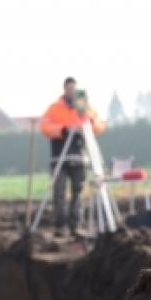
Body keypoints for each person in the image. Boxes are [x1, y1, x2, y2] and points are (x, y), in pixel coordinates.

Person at [40, 77, 106, 237]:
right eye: (69, 89)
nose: (72, 92)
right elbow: (45, 126)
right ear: (64, 90)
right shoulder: (54, 108)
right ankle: (59, 226)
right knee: (59, 192)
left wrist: (88, 121)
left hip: (79, 157)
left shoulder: (85, 107)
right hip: (60, 157)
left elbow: (99, 126)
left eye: (74, 89)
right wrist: (63, 130)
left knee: (78, 192)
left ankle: (75, 225)